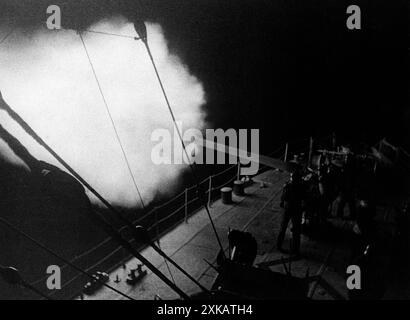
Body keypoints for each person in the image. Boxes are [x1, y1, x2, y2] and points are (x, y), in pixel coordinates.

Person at [277, 171, 305, 254]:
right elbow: (304, 198)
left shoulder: (288, 186)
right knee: (296, 230)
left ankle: (279, 245)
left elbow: (283, 198)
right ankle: (295, 248)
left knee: (283, 227)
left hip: (288, 208)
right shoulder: (301, 186)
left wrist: (282, 203)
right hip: (296, 209)